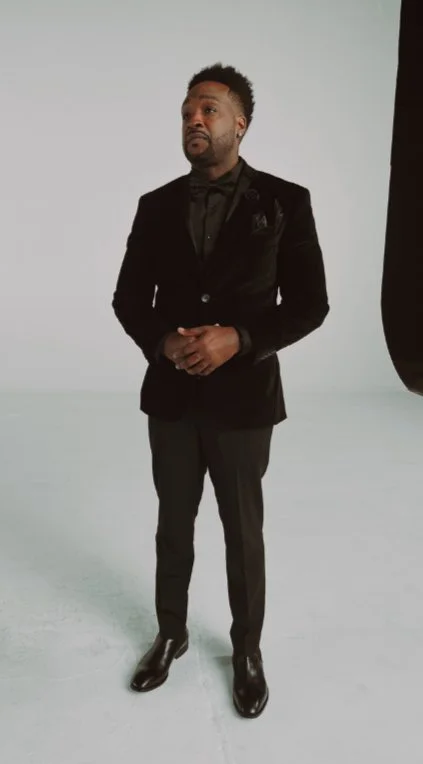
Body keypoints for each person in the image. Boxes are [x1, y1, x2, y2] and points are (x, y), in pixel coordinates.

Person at [111, 63, 329, 718]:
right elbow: (127, 299)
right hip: (172, 397)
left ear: (241, 123)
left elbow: (310, 304)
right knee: (172, 526)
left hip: (242, 401)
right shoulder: (154, 206)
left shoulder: (285, 202)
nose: (193, 121)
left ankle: (246, 651)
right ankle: (170, 634)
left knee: (242, 530)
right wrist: (160, 341)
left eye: (207, 109)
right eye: (185, 111)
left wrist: (239, 336)